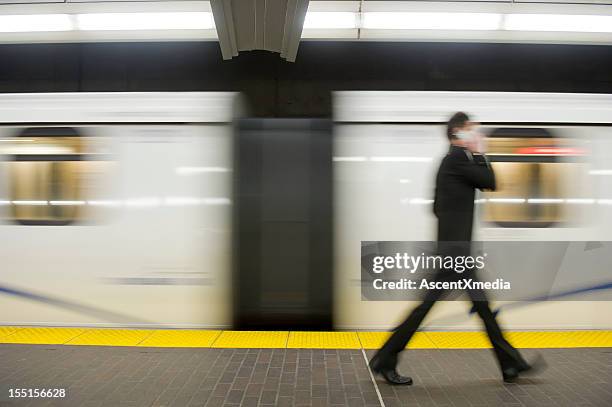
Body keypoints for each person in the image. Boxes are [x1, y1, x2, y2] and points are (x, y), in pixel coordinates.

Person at [369, 112, 544, 385]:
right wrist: (481, 152)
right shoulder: (456, 159)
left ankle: (511, 364)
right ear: (457, 133)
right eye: (471, 130)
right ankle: (384, 359)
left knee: (481, 308)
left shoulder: (451, 163)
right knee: (429, 308)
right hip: (455, 254)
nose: (476, 135)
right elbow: (491, 181)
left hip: (454, 251)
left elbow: (437, 207)